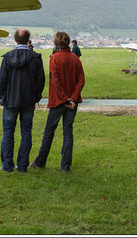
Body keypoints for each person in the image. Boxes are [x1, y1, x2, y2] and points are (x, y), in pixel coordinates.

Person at [29, 31, 85, 172]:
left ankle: (40, 161)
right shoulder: (75, 59)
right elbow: (81, 80)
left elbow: (55, 81)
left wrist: (65, 98)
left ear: (56, 43)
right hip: (72, 102)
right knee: (68, 132)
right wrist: (73, 97)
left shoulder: (54, 58)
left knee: (49, 132)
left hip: (58, 101)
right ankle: (65, 165)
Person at [0, 29, 45, 173]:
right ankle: (22, 166)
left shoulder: (8, 57)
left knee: (8, 133)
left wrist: (3, 96)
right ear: (28, 39)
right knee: (26, 132)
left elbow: (1, 81)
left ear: (15, 39)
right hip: (28, 100)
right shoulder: (35, 58)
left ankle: (7, 166)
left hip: (11, 100)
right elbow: (40, 80)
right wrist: (36, 96)